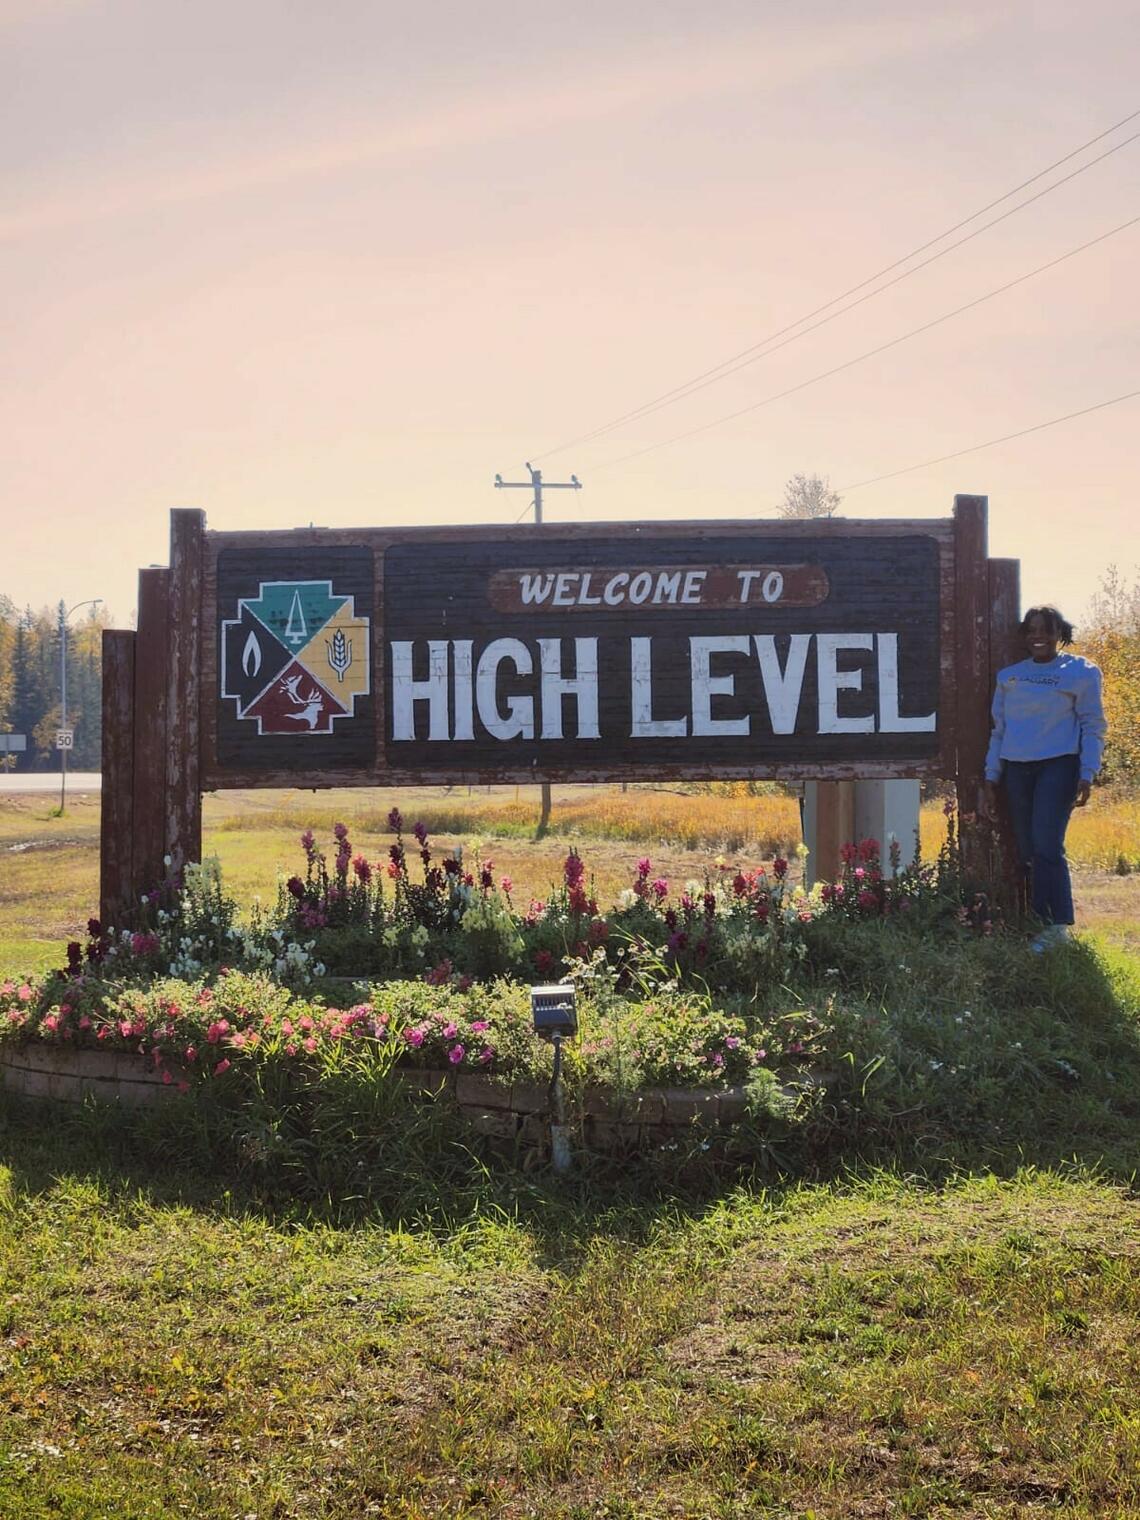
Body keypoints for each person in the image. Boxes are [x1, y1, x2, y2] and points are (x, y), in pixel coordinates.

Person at [979, 605, 1107, 951]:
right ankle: (1038, 922)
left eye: (1046, 630)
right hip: (1017, 769)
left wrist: (1087, 772)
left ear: (1059, 634)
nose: (1038, 637)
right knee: (1027, 848)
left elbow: (1092, 725)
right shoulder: (1010, 677)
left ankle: (1057, 926)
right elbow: (999, 730)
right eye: (1032, 630)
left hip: (1058, 766)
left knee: (1047, 843)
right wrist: (992, 778)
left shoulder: (1080, 672)